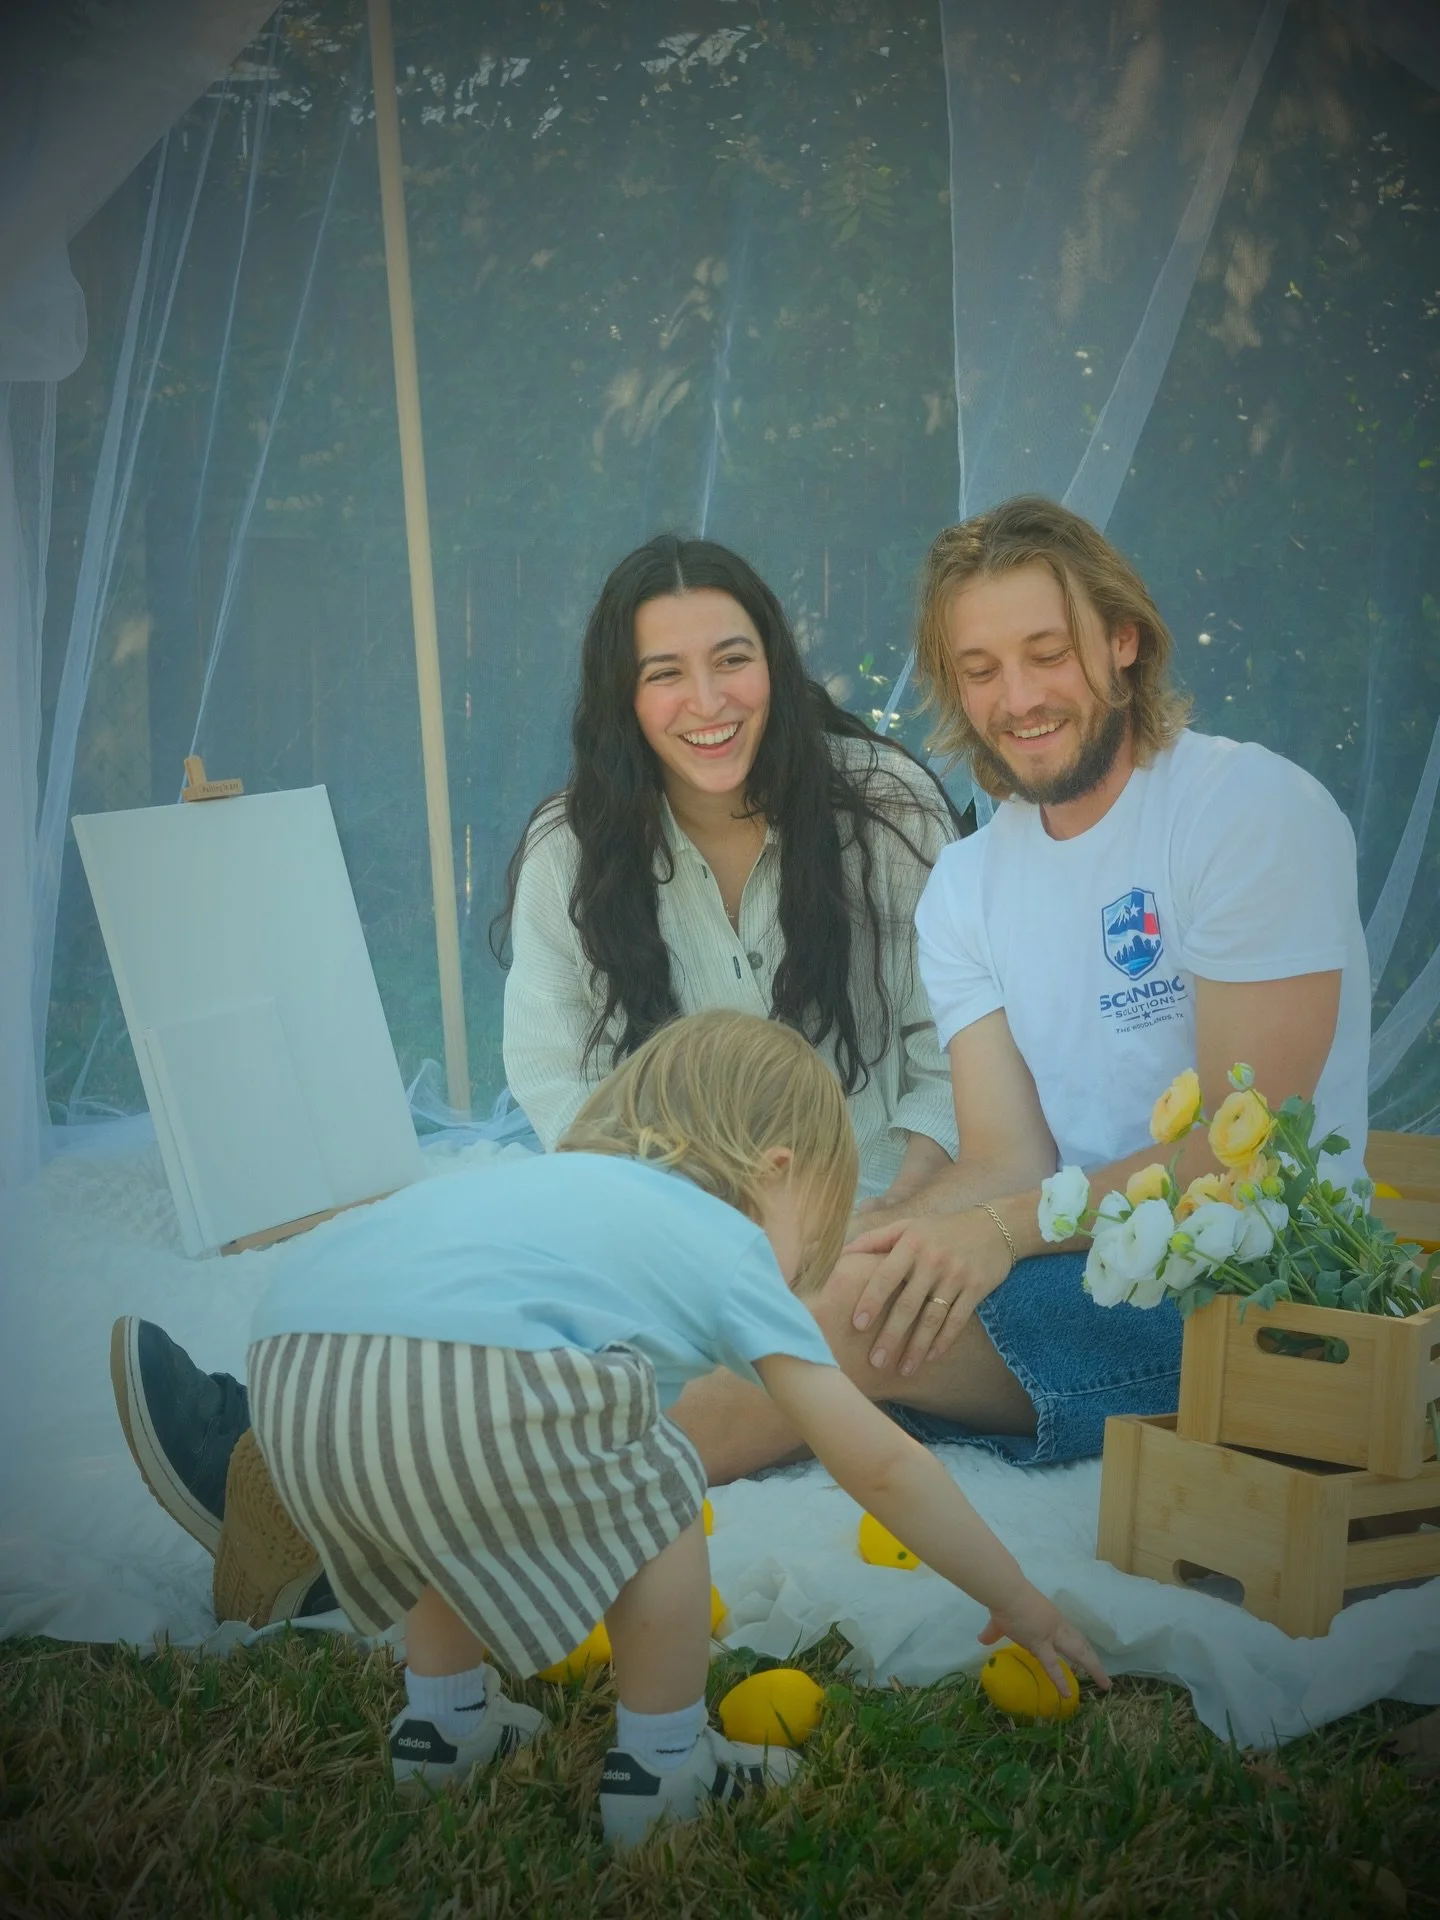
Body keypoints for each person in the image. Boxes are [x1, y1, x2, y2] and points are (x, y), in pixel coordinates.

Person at [111, 533, 969, 1623]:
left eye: (733, 659)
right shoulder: (576, 847)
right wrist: (663, 1234)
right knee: (506, 1289)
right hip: (654, 1214)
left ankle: (320, 1503)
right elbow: (558, 1083)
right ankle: (308, 1456)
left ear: (780, 666)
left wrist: (899, 1208)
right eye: (665, 673)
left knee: (760, 1330)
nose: (707, 700)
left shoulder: (884, 808)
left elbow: (952, 1051)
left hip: (868, 1208)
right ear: (624, 696)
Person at [241, 1008, 1107, 1845]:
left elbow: (432, 1364)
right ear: (774, 1171)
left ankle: (443, 1727)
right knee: (660, 1491)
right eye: (812, 1234)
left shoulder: (540, 1187)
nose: (800, 1272)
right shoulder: (723, 1238)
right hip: (441, 1372)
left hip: (293, 1367)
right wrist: (1014, 1596)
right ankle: (663, 1771)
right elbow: (880, 1463)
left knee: (440, 1485)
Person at [667, 494, 1370, 1479]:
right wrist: (870, 1236)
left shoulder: (1247, 813)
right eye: (981, 669)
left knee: (838, 1324)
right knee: (815, 1285)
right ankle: (529, 1481)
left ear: (1124, 640)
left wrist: (992, 1233)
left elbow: (1238, 1152)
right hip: (1076, 1263)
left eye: (1049, 653)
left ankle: (539, 1523)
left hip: (1254, 1299)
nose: (1020, 698)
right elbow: (1006, 1157)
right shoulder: (968, 885)